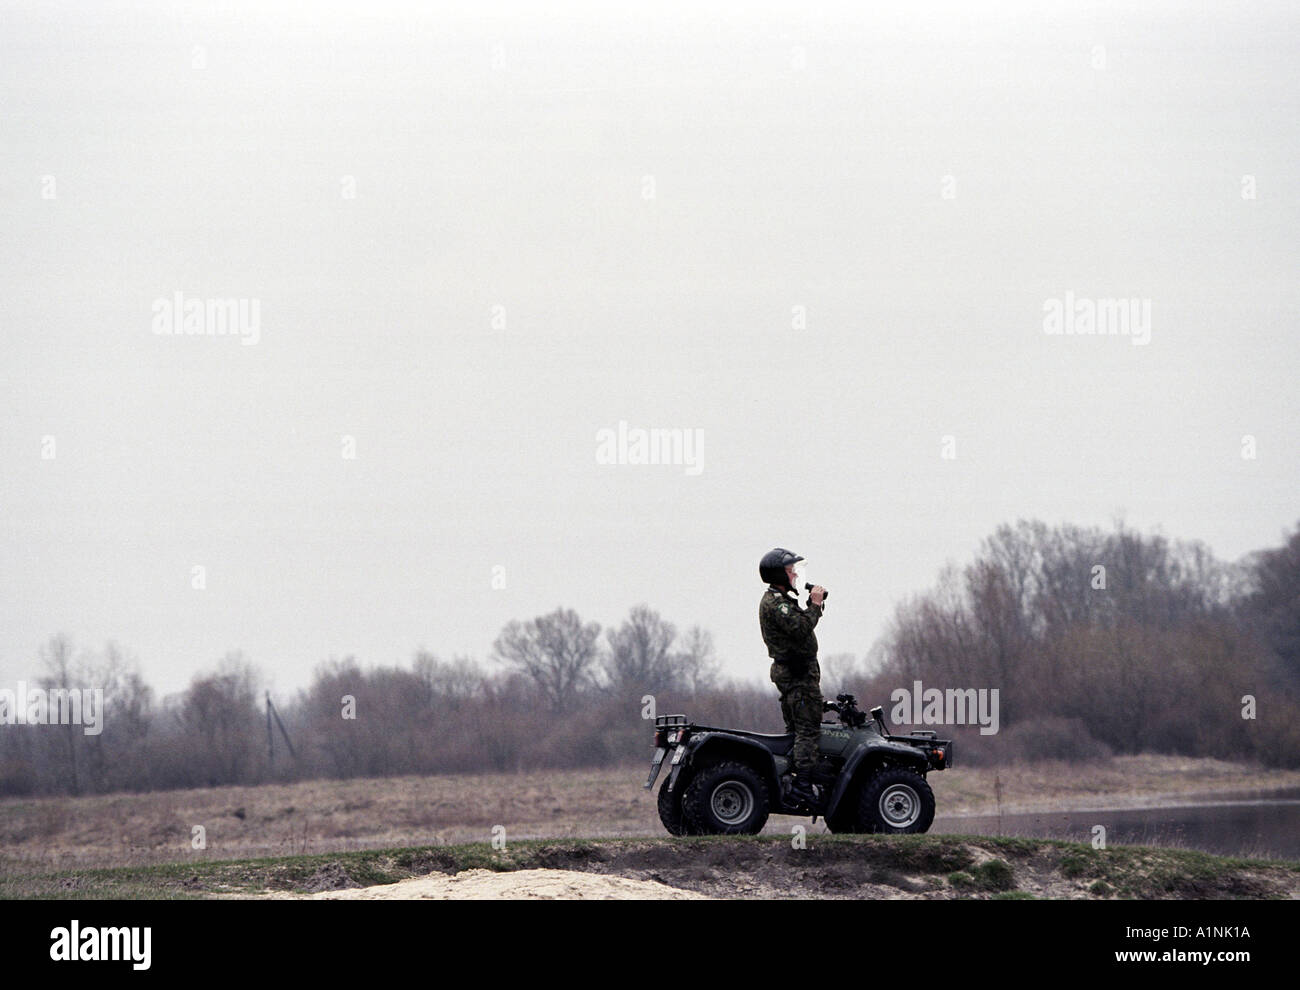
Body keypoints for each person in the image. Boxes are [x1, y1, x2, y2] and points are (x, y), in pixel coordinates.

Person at [758, 547, 829, 805]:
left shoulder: (782, 601)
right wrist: (815, 605)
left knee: (798, 731)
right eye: (790, 571)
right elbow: (800, 628)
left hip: (797, 675)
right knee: (806, 731)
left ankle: (795, 781)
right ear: (778, 574)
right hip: (797, 678)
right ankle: (802, 787)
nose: (795, 576)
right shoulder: (776, 603)